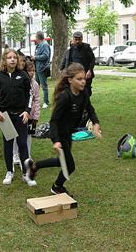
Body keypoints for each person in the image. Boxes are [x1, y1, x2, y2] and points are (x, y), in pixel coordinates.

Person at [24, 63, 101, 196]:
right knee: (70, 165)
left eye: (84, 79)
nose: (83, 81)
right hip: (59, 134)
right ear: (70, 80)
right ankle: (57, 186)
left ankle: (34, 166)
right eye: (79, 79)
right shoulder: (65, 97)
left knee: (62, 161)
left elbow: (90, 108)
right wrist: (56, 141)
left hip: (69, 132)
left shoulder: (83, 93)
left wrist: (95, 123)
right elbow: (54, 121)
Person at [0, 49, 35, 186]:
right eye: (9, 57)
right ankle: (9, 171)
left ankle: (26, 174)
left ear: (17, 60)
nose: (12, 60)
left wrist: (27, 111)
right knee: (8, 144)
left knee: (23, 144)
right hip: (5, 117)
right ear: (4, 60)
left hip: (21, 116)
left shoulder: (23, 75)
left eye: (14, 57)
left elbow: (30, 95)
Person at [13, 60, 40, 167]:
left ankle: (27, 155)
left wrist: (36, 115)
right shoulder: (20, 82)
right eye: (29, 70)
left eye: (33, 70)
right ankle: (15, 154)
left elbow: (37, 100)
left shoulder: (35, 84)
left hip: (31, 115)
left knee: (28, 135)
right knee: (16, 135)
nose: (32, 73)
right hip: (20, 114)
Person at [60, 31, 95, 97]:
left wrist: (90, 70)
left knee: (86, 92)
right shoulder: (72, 49)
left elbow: (92, 60)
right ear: (73, 39)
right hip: (75, 74)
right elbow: (68, 61)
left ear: (82, 39)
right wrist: (65, 71)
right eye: (76, 39)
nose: (77, 41)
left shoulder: (87, 48)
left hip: (86, 74)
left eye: (79, 39)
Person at [32, 31, 51, 109]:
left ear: (38, 37)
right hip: (37, 68)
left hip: (42, 69)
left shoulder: (44, 44)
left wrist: (35, 57)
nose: (35, 39)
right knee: (35, 86)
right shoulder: (39, 45)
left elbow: (46, 56)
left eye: (36, 37)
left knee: (44, 86)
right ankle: (35, 102)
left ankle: (46, 102)